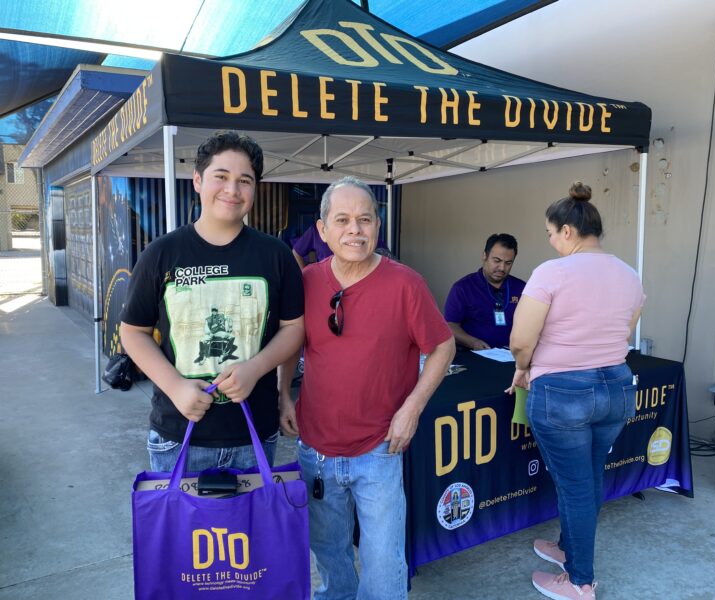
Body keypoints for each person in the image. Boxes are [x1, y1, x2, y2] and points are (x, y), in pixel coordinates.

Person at [280, 176, 455, 600]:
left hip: (379, 449)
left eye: (364, 219)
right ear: (322, 230)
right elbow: (291, 341)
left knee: (383, 562)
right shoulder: (307, 282)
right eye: (342, 220)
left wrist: (412, 408)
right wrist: (283, 393)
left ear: (378, 226)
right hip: (316, 448)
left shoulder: (406, 284)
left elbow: (443, 346)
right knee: (328, 552)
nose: (354, 230)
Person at [120, 130, 304, 474]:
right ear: (197, 180)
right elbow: (133, 332)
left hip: (254, 432)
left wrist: (255, 368)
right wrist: (175, 387)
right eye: (221, 176)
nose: (232, 190)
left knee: (254, 514)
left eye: (244, 180)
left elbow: (294, 328)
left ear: (255, 188)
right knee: (179, 514)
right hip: (179, 434)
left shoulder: (276, 255)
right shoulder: (161, 253)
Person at [507, 182, 644, 600]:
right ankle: (568, 547)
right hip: (616, 387)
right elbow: (625, 331)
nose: (551, 241)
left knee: (575, 485)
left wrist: (523, 368)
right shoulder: (630, 274)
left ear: (567, 231)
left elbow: (521, 340)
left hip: (563, 391)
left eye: (551, 233)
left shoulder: (552, 272)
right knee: (588, 477)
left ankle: (580, 581)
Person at [444, 233, 525, 350]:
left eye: (508, 263)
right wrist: (472, 342)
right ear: (484, 256)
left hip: (512, 355)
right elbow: (450, 325)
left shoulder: (522, 288)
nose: (502, 268)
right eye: (497, 261)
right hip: (474, 354)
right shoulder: (463, 288)